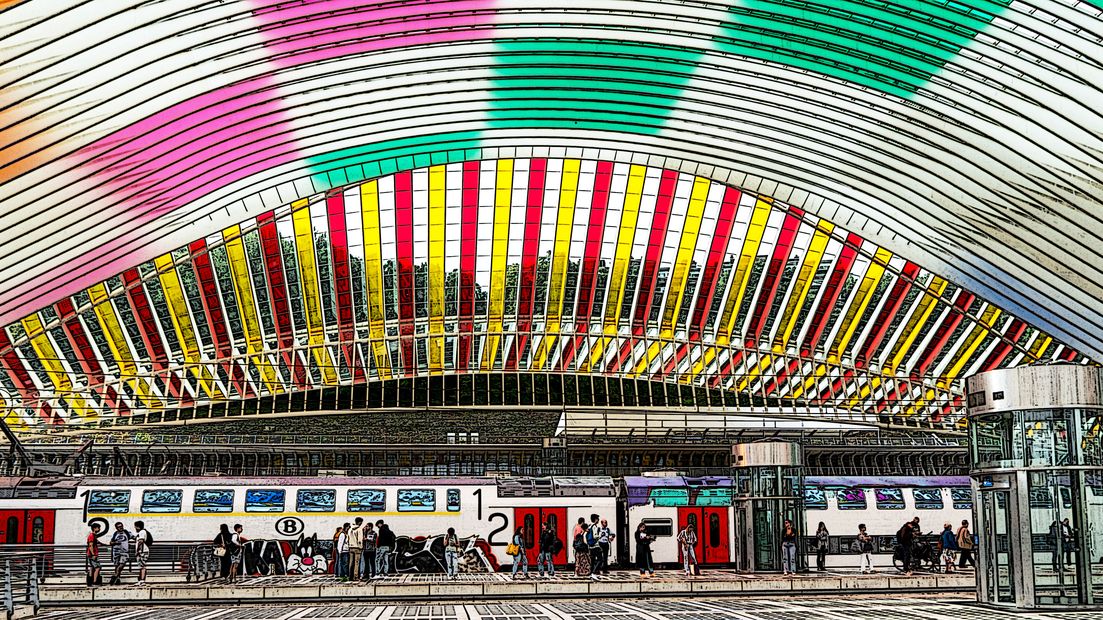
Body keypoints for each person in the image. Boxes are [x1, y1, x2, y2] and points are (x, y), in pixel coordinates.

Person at [108, 521, 131, 585]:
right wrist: (115, 542)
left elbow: (135, 537)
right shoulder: (115, 534)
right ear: (116, 528)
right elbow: (111, 543)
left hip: (124, 552)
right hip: (116, 552)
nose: (121, 528)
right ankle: (117, 579)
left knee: (122, 564)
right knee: (116, 566)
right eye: (119, 527)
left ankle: (115, 576)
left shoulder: (127, 533)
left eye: (121, 526)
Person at [133, 521, 150, 586]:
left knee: (142, 566)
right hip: (142, 551)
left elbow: (141, 542)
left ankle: (142, 580)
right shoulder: (142, 532)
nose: (134, 527)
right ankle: (141, 580)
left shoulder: (142, 532)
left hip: (142, 551)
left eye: (135, 526)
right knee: (141, 566)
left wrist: (137, 551)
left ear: (137, 526)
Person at [86, 522, 103, 586]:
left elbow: (98, 543)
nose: (99, 529)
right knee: (97, 568)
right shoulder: (91, 536)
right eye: (98, 528)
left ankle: (90, 581)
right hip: (92, 555)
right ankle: (95, 582)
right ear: (94, 528)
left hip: (91, 554)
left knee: (92, 567)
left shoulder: (93, 535)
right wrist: (93, 554)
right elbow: (91, 545)